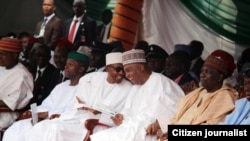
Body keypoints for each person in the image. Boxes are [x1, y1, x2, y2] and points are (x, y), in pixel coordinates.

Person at [26, 52, 132, 141]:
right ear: (107, 68)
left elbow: (122, 115)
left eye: (125, 69)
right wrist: (84, 107)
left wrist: (101, 113)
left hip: (99, 125)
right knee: (42, 127)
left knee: (56, 130)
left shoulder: (128, 88)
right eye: (118, 69)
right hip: (79, 118)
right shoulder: (93, 78)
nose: (122, 73)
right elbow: (78, 104)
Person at [90, 49, 185, 141]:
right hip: (131, 130)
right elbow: (128, 112)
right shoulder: (135, 87)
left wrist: (160, 124)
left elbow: (175, 113)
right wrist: (121, 117)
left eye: (128, 70)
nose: (126, 75)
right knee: (99, 137)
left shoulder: (161, 83)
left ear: (141, 67)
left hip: (150, 133)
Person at [2, 51, 90, 141]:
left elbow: (73, 111)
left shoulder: (86, 88)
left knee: (42, 132)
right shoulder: (61, 86)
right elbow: (46, 105)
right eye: (66, 64)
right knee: (18, 127)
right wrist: (32, 113)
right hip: (44, 119)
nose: (66, 66)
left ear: (81, 69)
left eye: (70, 64)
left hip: (62, 123)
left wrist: (45, 115)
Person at [157, 49, 239, 140]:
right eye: (202, 71)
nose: (202, 75)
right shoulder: (198, 92)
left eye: (207, 72)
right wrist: (164, 128)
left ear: (220, 77)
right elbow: (176, 116)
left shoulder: (225, 97)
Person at [0, 37, 33, 129]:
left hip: (6, 117)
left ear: (14, 55)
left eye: (3, 54)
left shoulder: (22, 75)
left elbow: (10, 102)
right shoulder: (2, 67)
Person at [25, 44, 61, 109]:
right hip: (25, 103)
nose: (41, 58)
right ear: (35, 56)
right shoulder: (29, 68)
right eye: (38, 55)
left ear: (49, 57)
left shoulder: (54, 73)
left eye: (44, 56)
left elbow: (47, 95)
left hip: (40, 106)